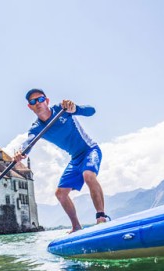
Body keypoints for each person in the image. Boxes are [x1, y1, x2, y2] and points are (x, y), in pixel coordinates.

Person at [15, 88, 109, 233]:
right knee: (60, 194)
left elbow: (91, 111)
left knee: (88, 175)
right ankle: (76, 226)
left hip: (90, 150)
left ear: (47, 101)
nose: (38, 103)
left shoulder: (62, 109)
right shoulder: (36, 128)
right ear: (30, 107)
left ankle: (101, 218)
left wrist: (75, 108)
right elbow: (28, 142)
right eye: (33, 102)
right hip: (75, 158)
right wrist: (21, 151)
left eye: (40, 99)